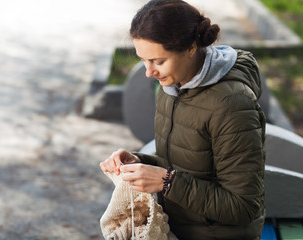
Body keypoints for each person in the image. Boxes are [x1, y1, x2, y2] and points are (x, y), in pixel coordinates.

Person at [100, 0, 266, 239]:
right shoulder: (173, 87)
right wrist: (140, 162)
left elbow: (243, 206)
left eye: (158, 61)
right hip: (177, 228)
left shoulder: (232, 105)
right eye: (143, 60)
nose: (149, 72)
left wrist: (166, 182)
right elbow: (189, 165)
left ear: (190, 47)